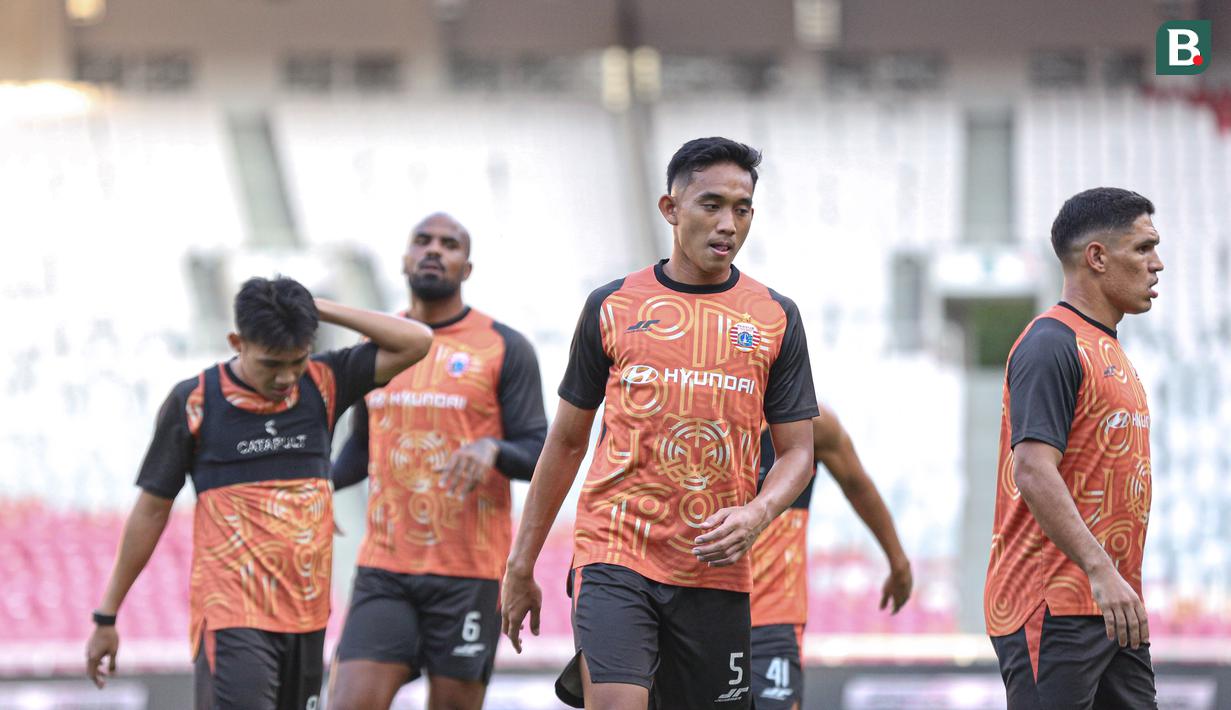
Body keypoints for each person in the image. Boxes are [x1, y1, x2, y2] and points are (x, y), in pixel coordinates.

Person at [500, 137, 819, 710]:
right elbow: (568, 441)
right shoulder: (613, 304)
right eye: (711, 204)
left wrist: (756, 513)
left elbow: (798, 453)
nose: (728, 223)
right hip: (615, 553)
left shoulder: (775, 317)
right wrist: (522, 563)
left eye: (742, 209)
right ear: (670, 209)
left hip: (715, 568)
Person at [85, 276, 433, 710]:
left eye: (297, 360)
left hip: (307, 618)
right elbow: (152, 510)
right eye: (271, 364)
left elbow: (417, 341)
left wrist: (314, 307)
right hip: (232, 614)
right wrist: (107, 614)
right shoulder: (195, 401)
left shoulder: (325, 381)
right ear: (237, 341)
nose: (287, 377)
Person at [327, 213, 547, 710]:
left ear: (465, 268)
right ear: (405, 259)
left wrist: (493, 449)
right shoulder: (375, 344)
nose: (434, 250)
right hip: (386, 569)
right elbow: (363, 447)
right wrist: (321, 485)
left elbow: (539, 453)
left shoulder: (504, 347)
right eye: (422, 241)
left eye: (449, 245)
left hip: (468, 573)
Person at [984, 187, 1164, 709]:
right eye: (1144, 248)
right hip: (1053, 603)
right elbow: (1035, 471)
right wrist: (1101, 570)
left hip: (1112, 605)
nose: (1158, 263)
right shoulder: (1050, 343)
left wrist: (1112, 582)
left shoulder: (1109, 349)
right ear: (1098, 257)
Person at [748, 405, 913, 710]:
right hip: (703, 613)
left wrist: (897, 560)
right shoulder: (697, 417)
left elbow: (856, 484)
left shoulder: (810, 424)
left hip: (773, 619)